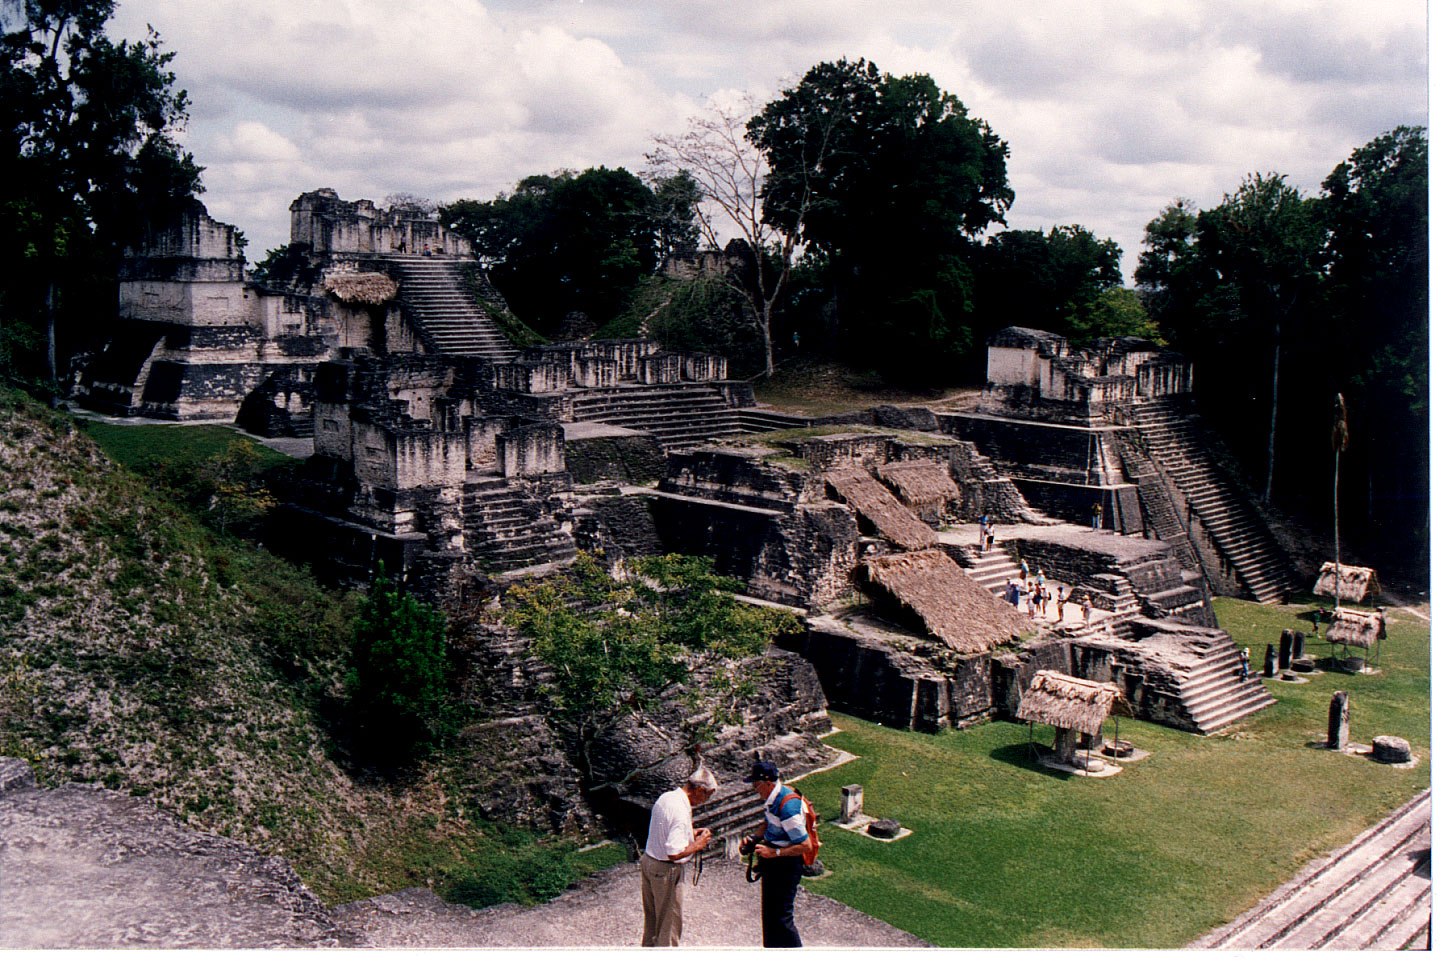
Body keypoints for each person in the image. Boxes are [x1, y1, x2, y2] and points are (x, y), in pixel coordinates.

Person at [640, 768, 716, 947]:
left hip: (649, 862)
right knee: (669, 927)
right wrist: (697, 845)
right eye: (708, 796)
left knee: (652, 924)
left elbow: (666, 829)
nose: (706, 801)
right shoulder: (681, 811)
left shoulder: (667, 798)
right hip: (666, 871)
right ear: (700, 790)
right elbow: (673, 853)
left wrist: (691, 833)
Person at [739, 761, 809, 948]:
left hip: (786, 865)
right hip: (773, 861)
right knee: (770, 916)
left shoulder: (788, 808)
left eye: (756, 785)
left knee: (782, 919)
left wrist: (774, 852)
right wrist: (754, 838)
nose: (755, 790)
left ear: (768, 783)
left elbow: (805, 845)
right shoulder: (773, 799)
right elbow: (768, 822)